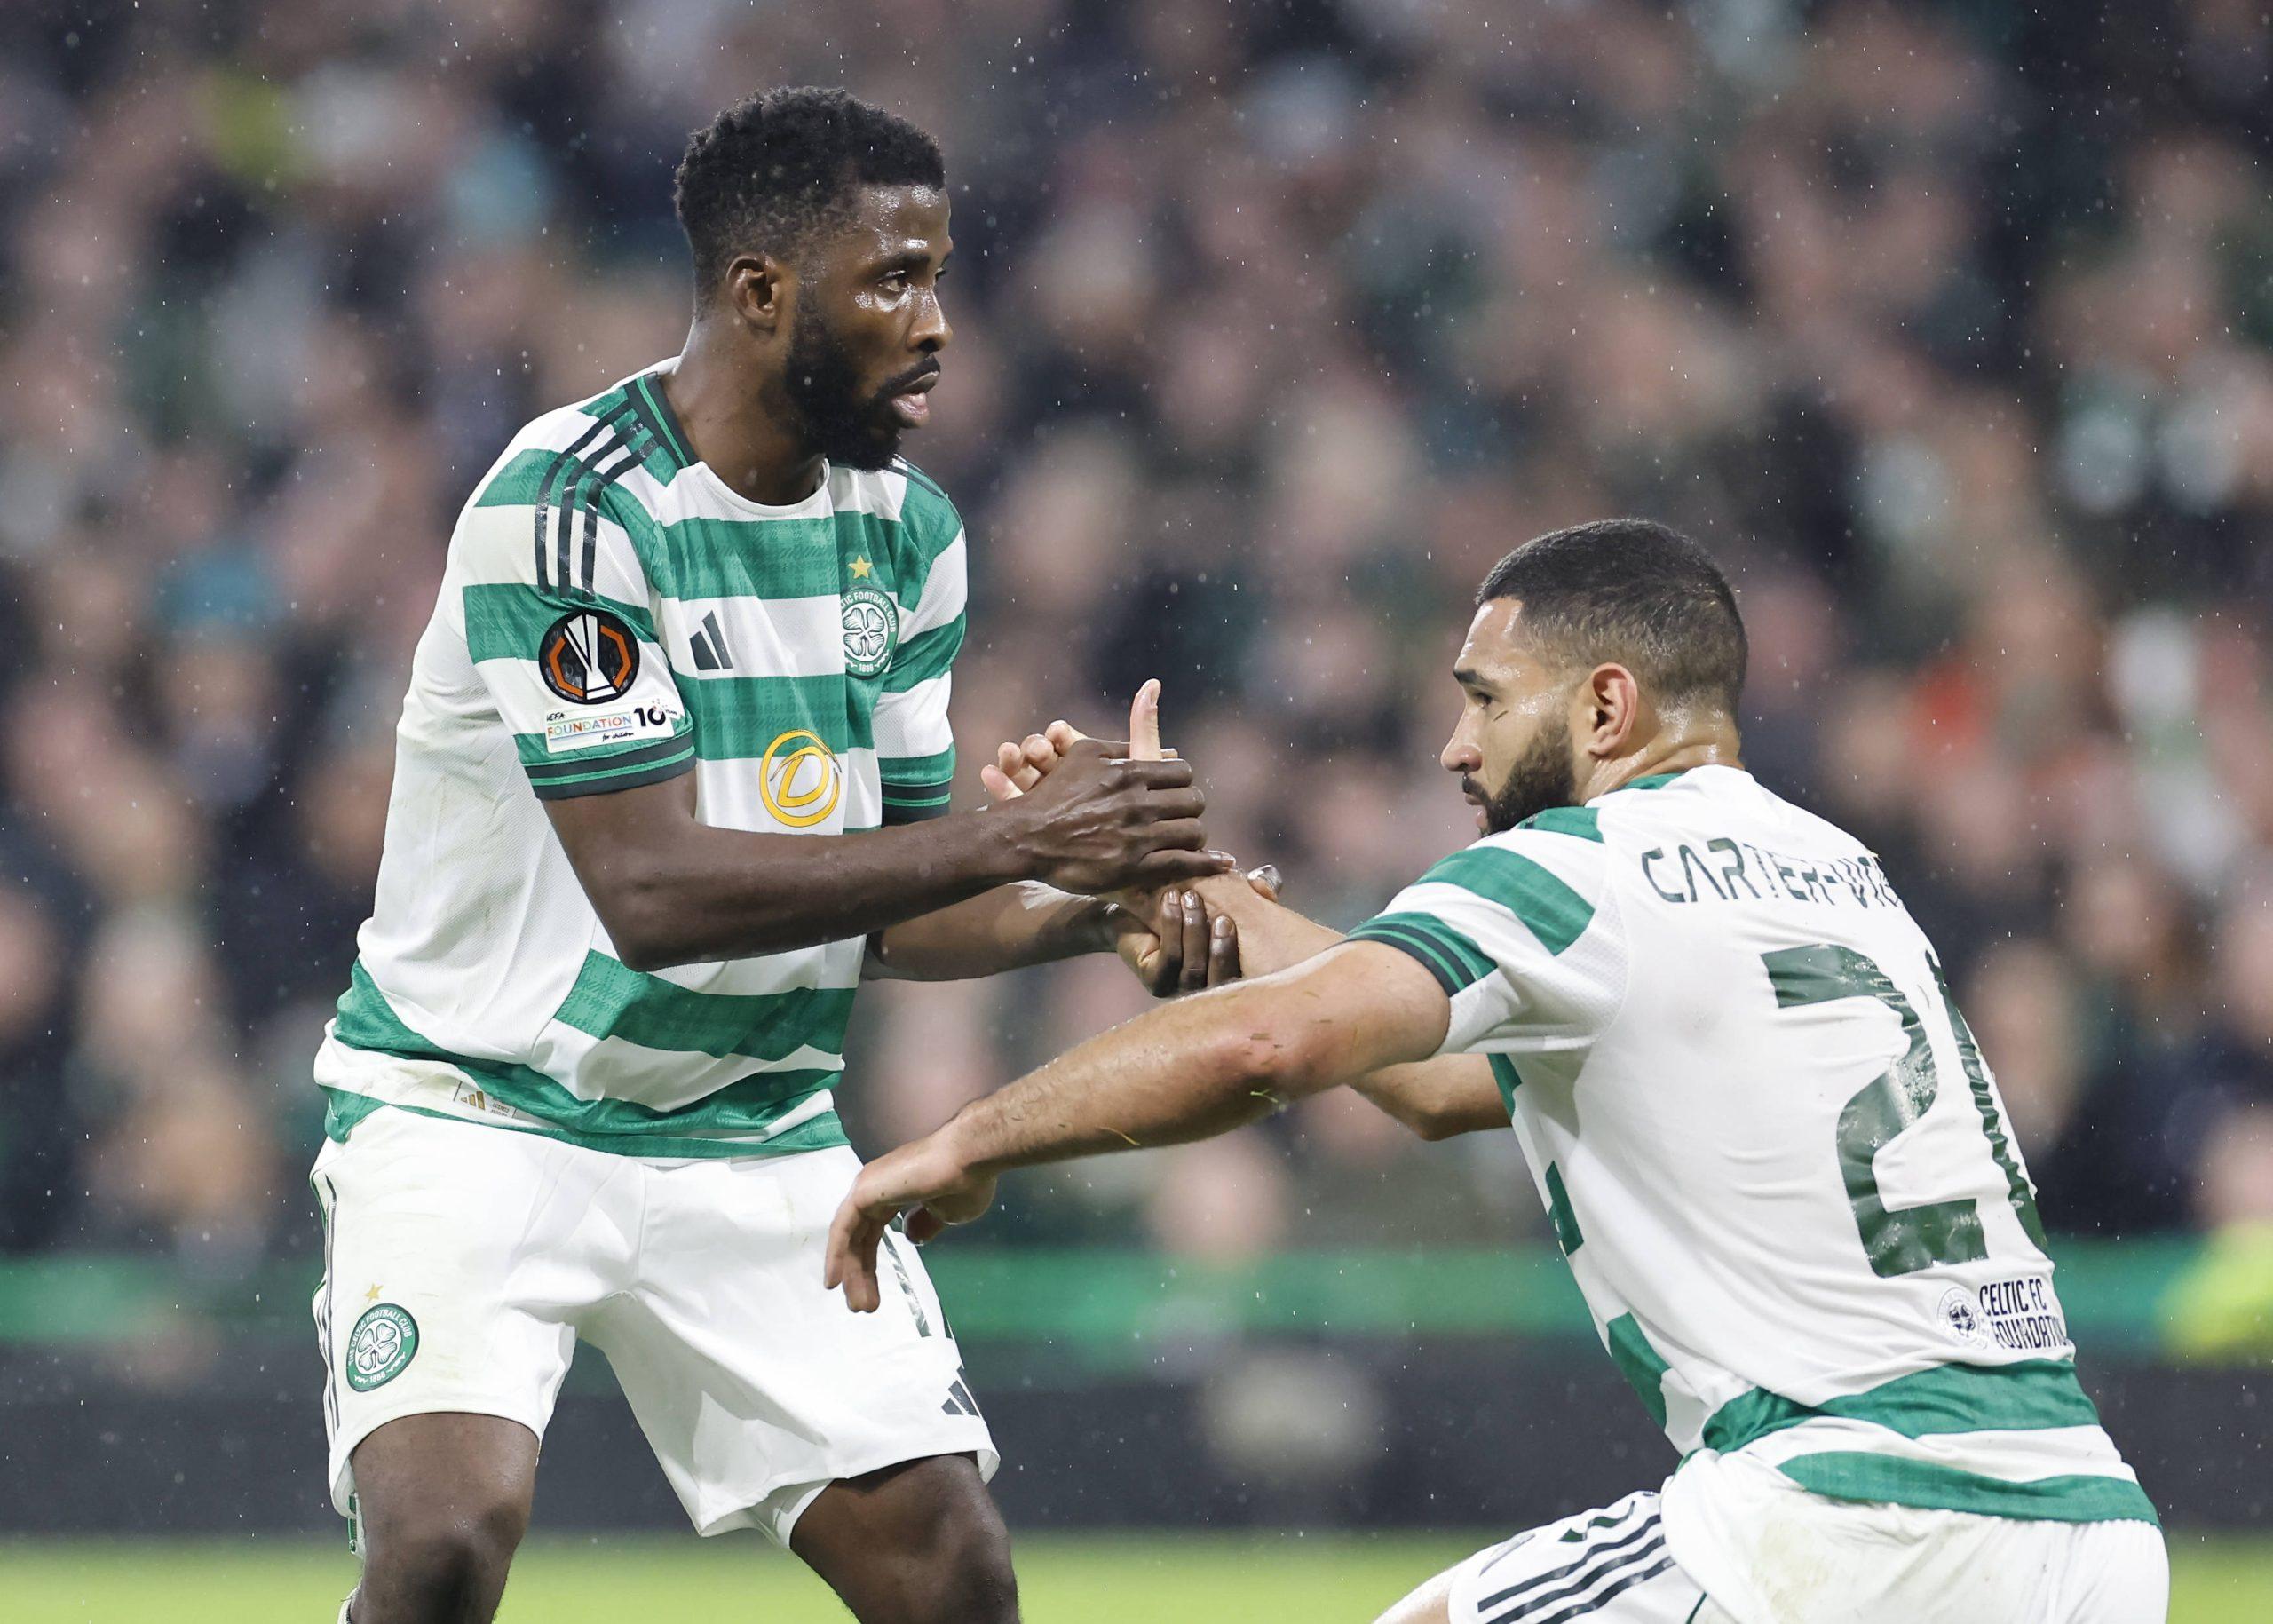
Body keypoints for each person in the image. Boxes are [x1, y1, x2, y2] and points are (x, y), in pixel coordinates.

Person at [828, 520, 2169, 1624]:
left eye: (1483, 700)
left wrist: (969, 1137)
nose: (1457, 747)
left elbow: (1268, 1042)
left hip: (1849, 1517)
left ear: (1604, 705)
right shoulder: (1844, 878)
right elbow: (1431, 1085)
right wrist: (1183, 875)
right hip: (2089, 1528)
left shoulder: (1582, 864)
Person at [310, 87, 1240, 1624]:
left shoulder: (910, 535)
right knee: (443, 1546)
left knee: (952, 1571)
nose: (937, 324)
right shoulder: (569, 510)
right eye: (894, 280)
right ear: (761, 293)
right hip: (477, 1112)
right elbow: (656, 893)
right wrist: (1021, 833)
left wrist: (1089, 909)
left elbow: (886, 901)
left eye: (940, 276)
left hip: (748, 1132)